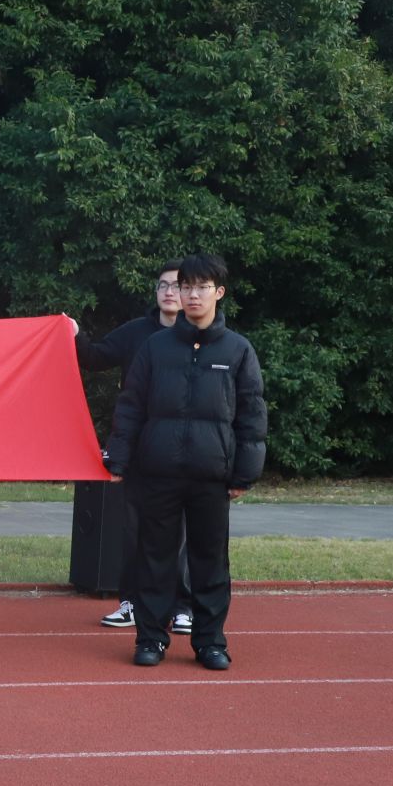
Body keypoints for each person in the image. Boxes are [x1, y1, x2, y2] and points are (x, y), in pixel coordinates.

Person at [106, 252, 266, 670]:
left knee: (209, 562)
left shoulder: (238, 350)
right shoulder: (155, 347)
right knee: (154, 559)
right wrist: (119, 458)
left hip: (211, 476)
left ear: (219, 292)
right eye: (186, 287)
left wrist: (245, 473)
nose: (192, 295)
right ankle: (151, 639)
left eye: (201, 287)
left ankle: (210, 642)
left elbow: (251, 414)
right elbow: (131, 405)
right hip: (157, 472)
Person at [76, 264, 195, 635]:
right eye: (162, 285)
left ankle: (183, 607)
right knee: (134, 529)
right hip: (140, 447)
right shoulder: (136, 332)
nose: (169, 292)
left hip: (184, 447)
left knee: (181, 530)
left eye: (176, 285)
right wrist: (72, 333)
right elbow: (94, 358)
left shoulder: (202, 336)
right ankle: (131, 602)